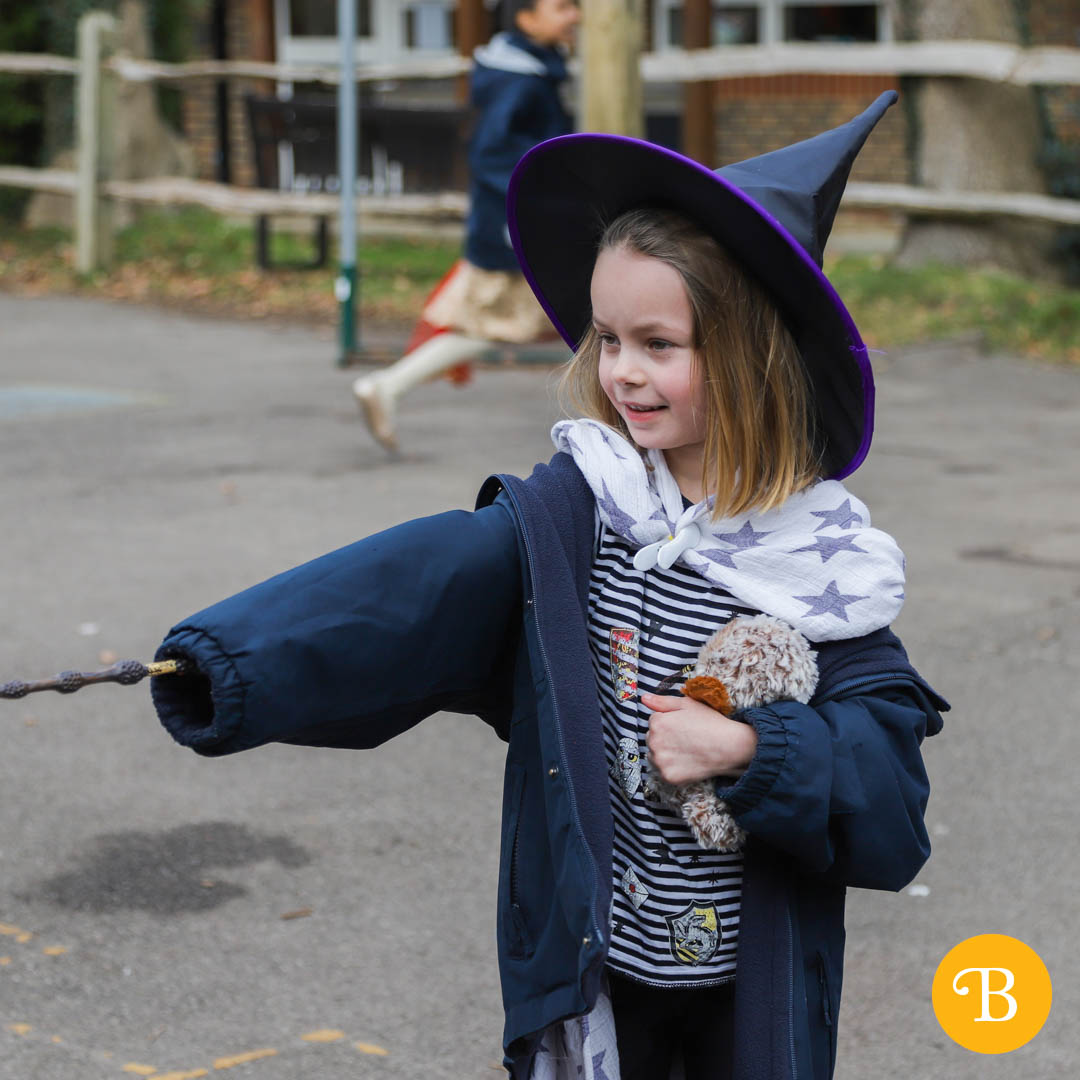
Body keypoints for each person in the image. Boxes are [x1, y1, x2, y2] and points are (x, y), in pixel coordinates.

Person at [150, 93, 947, 1080]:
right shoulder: (579, 522)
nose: (622, 372)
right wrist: (225, 663)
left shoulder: (825, 576)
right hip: (590, 995)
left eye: (660, 344)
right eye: (608, 339)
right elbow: (404, 596)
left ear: (750, 358)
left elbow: (890, 812)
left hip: (749, 1008)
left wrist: (752, 746)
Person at [351, 0, 579, 452]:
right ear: (526, 18)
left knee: (506, 323)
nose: (574, 15)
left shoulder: (529, 67)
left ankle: (388, 386)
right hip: (513, 224)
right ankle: (387, 386)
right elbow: (493, 154)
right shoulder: (518, 78)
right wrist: (533, 204)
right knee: (509, 323)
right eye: (561, 6)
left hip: (517, 216)